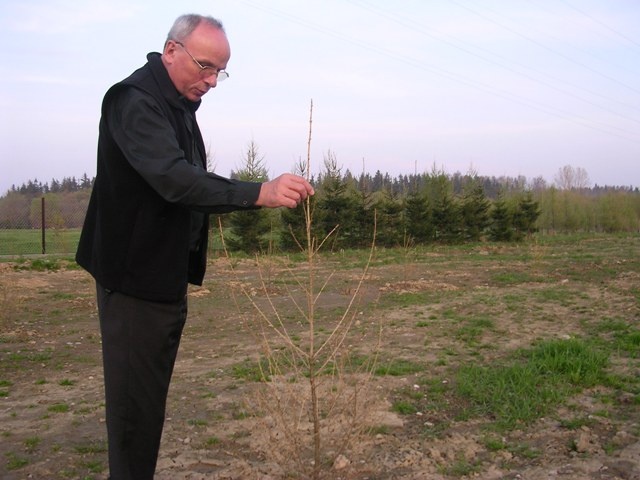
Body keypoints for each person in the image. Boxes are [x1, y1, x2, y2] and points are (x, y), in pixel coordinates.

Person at [75, 13, 314, 480]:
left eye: (220, 71)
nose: (212, 81)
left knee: (147, 406)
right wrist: (258, 192)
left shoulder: (176, 106)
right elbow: (175, 180)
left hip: (161, 279)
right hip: (133, 284)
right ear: (170, 51)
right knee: (133, 415)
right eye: (205, 66)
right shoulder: (135, 102)